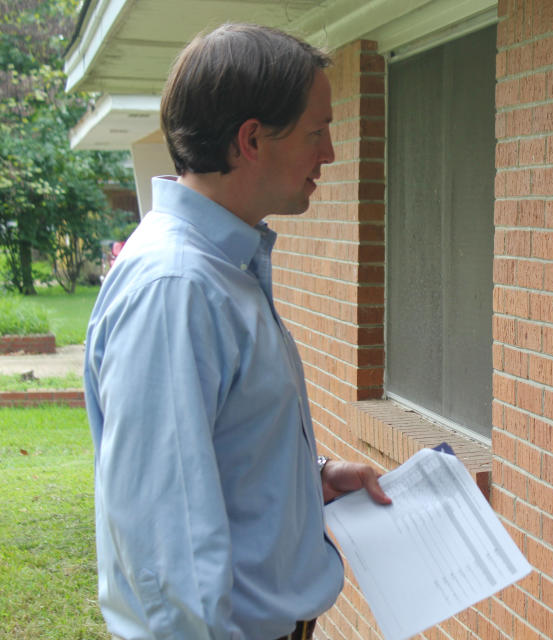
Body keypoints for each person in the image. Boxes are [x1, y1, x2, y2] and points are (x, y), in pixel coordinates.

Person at [84, 23, 392, 640]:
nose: (329, 152)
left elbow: (212, 449)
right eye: (317, 131)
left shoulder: (219, 267)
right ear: (251, 140)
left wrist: (309, 479)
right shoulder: (177, 290)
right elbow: (163, 555)